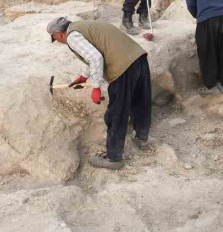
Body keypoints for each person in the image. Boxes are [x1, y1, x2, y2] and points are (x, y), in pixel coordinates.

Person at [47, 17, 152, 170]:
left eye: (55, 39)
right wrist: (84, 76)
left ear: (57, 34)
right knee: (139, 101)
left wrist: (96, 87)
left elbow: (95, 57)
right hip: (139, 58)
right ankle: (142, 138)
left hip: (123, 68)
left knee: (116, 113)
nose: (57, 41)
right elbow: (99, 49)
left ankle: (114, 159)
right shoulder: (84, 25)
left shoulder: (71, 37)